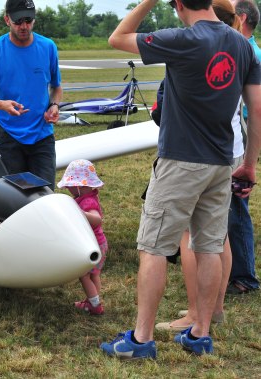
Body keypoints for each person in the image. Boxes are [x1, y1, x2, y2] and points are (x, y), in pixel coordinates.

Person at [101, 0, 261, 359]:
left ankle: (141, 340)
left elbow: (117, 38)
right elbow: (257, 106)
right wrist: (249, 163)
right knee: (208, 246)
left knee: (154, 247)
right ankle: (200, 333)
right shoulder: (241, 44)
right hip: (222, 162)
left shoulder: (181, 39)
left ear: (177, 4)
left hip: (180, 161)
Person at [154, 0, 242, 332]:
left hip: (193, 154)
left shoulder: (193, 46)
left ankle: (194, 313)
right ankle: (214, 308)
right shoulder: (240, 48)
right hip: (228, 151)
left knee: (192, 236)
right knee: (219, 237)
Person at [0, 0, 62, 190]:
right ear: (7, 20)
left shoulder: (48, 47)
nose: (24, 26)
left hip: (42, 134)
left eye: (28, 20)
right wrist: (2, 104)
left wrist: (54, 105)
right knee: (15, 195)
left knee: (45, 193)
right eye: (18, 21)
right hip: (8, 134)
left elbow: (56, 87)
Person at [227, 0, 260, 294]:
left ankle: (244, 276)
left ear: (241, 18)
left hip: (244, 130)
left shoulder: (248, 51)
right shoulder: (245, 47)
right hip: (241, 128)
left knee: (237, 206)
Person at [57, 159, 108, 315]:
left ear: (79, 186)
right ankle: (94, 300)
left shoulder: (87, 202)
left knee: (83, 275)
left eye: (70, 187)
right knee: (93, 275)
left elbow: (97, 219)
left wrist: (80, 213)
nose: (68, 189)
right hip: (99, 244)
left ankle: (94, 305)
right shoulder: (86, 198)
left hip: (93, 246)